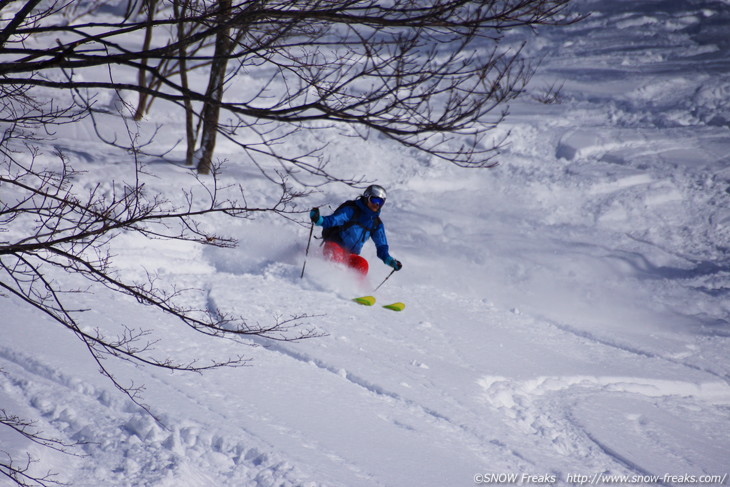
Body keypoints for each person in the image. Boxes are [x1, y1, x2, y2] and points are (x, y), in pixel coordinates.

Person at [310, 185, 402, 277]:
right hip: (334, 246)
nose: (377, 204)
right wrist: (318, 220)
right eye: (374, 200)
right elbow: (334, 220)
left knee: (362, 264)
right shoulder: (352, 210)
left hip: (349, 255)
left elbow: (381, 245)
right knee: (336, 256)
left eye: (381, 202)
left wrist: (390, 261)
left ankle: (353, 290)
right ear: (367, 197)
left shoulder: (376, 223)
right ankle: (327, 282)